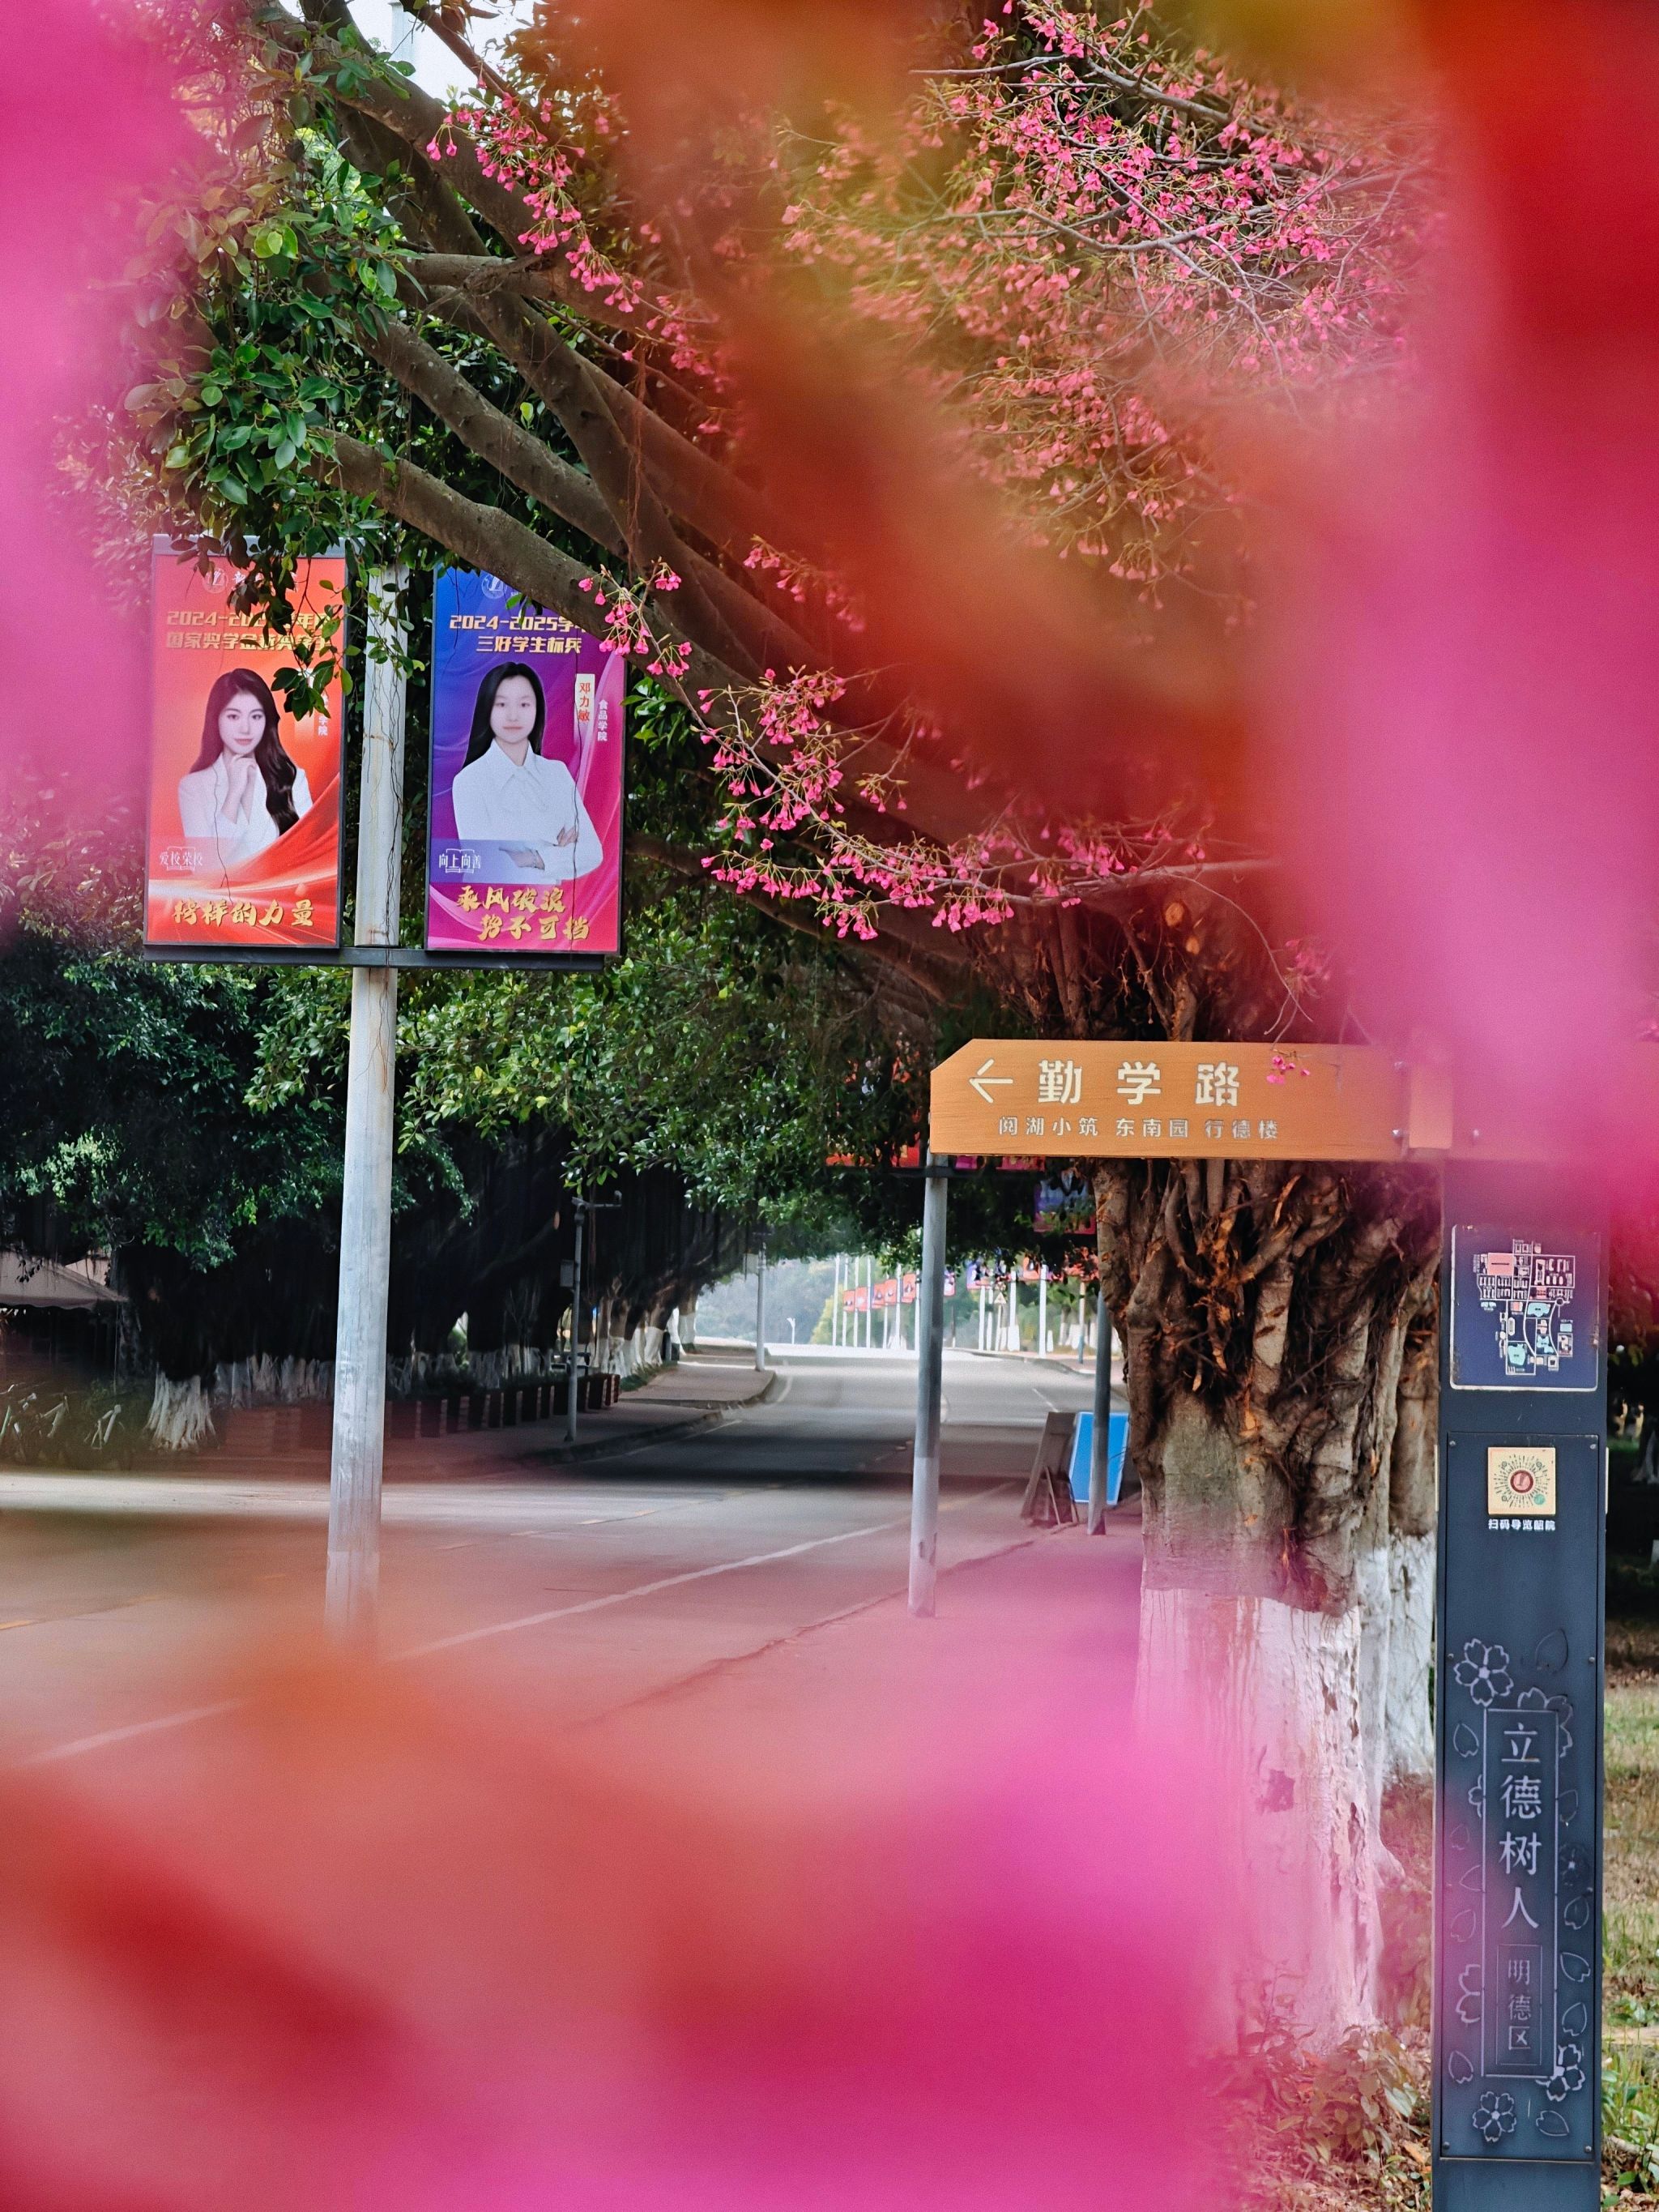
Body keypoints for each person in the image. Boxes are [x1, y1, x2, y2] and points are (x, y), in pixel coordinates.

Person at [450, 663, 603, 879]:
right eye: (501, 704)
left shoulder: (556, 773)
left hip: (553, 901)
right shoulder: (469, 780)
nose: (513, 716)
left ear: (537, 709)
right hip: (490, 900)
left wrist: (535, 858)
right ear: (487, 709)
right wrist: (557, 853)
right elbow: (484, 861)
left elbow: (592, 852)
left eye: (524, 704)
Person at [177, 668, 312, 868]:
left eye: (256, 717)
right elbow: (202, 868)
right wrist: (233, 795)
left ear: (267, 721)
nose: (245, 729)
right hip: (221, 890)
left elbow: (309, 853)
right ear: (216, 719)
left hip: (281, 888)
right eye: (233, 717)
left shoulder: (292, 778)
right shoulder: (193, 787)